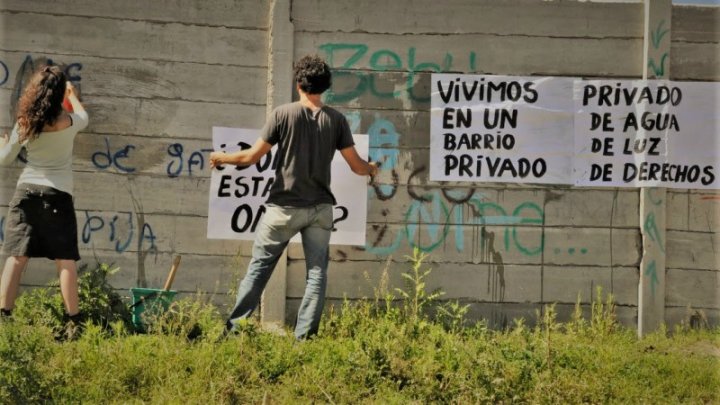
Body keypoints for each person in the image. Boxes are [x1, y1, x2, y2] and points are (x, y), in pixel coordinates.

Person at [210, 55, 378, 339]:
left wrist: (220, 157)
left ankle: (233, 332)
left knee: (259, 270)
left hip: (283, 209)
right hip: (320, 211)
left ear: (299, 83)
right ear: (325, 86)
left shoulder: (282, 114)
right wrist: (372, 169)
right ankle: (304, 339)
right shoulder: (336, 120)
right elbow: (356, 165)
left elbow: (251, 158)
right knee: (316, 275)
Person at [0, 65, 88, 331]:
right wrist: (72, 96)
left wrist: (3, 145)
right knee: (65, 260)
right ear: (59, 92)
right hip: (58, 196)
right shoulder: (69, 122)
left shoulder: (25, 122)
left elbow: (4, 160)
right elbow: (84, 116)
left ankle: (3, 317)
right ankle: (73, 322)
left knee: (16, 257)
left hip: (26, 192)